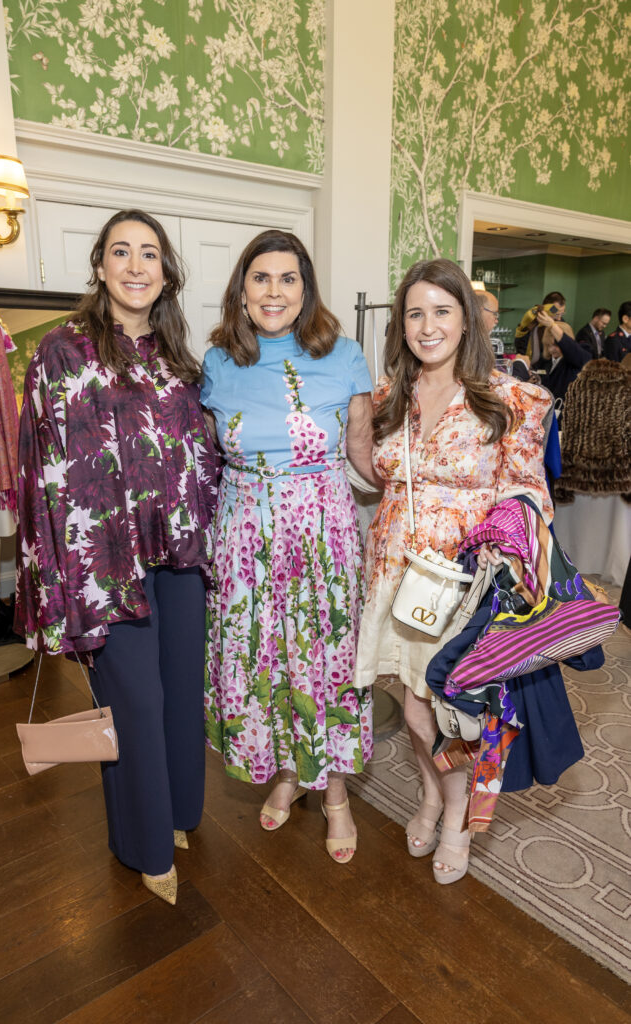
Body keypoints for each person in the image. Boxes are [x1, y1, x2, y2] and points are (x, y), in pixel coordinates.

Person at [15, 209, 219, 905]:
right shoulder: (60, 352)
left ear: (166, 274)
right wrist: (53, 582)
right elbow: (40, 470)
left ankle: (179, 815)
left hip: (181, 552)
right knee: (136, 701)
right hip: (103, 563)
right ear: (99, 265)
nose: (136, 266)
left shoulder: (179, 357)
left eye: (150, 255)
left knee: (181, 693)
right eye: (122, 252)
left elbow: (203, 457)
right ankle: (144, 845)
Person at [354, 258, 553, 884]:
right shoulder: (391, 396)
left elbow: (530, 492)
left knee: (454, 711)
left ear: (467, 320)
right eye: (415, 313)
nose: (428, 325)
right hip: (397, 570)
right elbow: (375, 474)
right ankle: (433, 794)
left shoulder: (510, 397)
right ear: (402, 325)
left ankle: (457, 815)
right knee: (414, 708)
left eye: (442, 311)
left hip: (465, 580)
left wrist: (497, 545)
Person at [202, 229, 379, 864]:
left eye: (288, 279)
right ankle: (285, 772)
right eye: (261, 278)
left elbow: (362, 455)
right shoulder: (218, 361)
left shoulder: (345, 355)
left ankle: (334, 794)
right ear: (242, 290)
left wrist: (429, 493)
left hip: (321, 539)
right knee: (263, 663)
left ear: (305, 290)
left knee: (322, 662)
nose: (274, 291)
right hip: (244, 539)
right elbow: (202, 460)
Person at [515, 291, 574, 363]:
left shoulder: (561, 324)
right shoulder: (532, 321)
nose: (559, 318)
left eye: (562, 314)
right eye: (556, 314)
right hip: (528, 365)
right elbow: (520, 343)